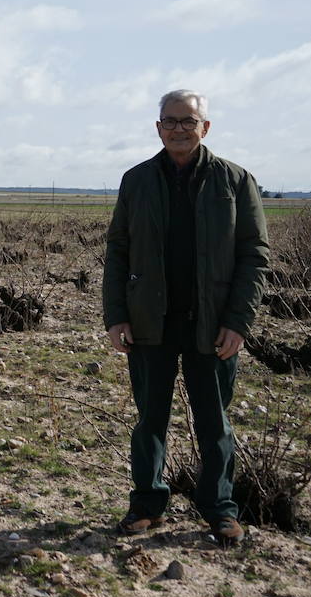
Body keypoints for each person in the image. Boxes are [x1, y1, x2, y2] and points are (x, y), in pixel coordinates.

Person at [103, 89, 268, 546]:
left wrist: (239, 321)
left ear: (205, 127)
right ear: (158, 127)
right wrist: (116, 316)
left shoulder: (235, 182)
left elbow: (255, 255)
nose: (179, 128)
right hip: (149, 321)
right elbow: (118, 250)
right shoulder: (136, 180)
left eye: (188, 121)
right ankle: (147, 505)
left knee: (214, 423)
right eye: (170, 121)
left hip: (213, 325)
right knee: (149, 420)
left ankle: (219, 509)